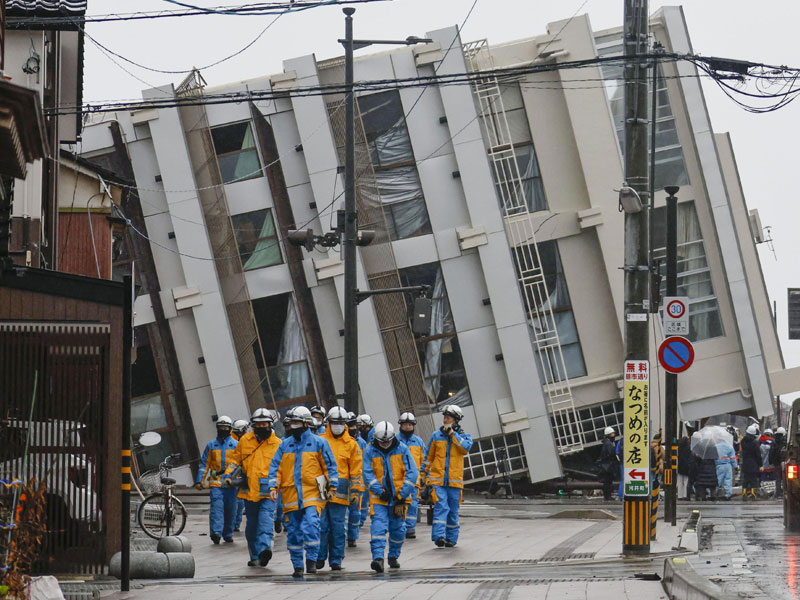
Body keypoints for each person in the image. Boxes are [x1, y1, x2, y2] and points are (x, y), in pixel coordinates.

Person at [268, 406, 338, 578]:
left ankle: (312, 561)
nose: (294, 426)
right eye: (292, 423)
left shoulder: (319, 443)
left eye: (297, 422)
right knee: (293, 532)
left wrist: (332, 487)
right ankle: (298, 565)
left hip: (313, 492)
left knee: (312, 525)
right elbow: (275, 468)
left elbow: (330, 466)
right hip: (291, 495)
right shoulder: (285, 445)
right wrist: (273, 487)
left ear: (306, 423)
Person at [222, 408, 281, 567]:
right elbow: (236, 461)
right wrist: (228, 475)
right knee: (252, 525)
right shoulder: (245, 441)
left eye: (265, 424)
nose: (262, 426)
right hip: (249, 489)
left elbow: (283, 467)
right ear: (253, 425)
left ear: (270, 424)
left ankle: (264, 550)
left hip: (269, 490)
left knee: (266, 520)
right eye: (258, 424)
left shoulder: (278, 444)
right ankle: (254, 555)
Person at [363, 421, 418, 572]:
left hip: (398, 498)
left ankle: (393, 556)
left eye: (387, 441)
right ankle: (378, 558)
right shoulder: (370, 451)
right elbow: (367, 474)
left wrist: (401, 495)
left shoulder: (402, 449)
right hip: (379, 497)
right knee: (378, 527)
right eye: (382, 441)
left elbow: (412, 473)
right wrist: (380, 491)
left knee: (398, 530)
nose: (385, 444)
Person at [316, 406, 363, 571]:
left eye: (340, 422)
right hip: (321, 486)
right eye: (334, 422)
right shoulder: (319, 440)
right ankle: (319, 557)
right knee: (321, 526)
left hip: (341, 489)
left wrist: (356, 491)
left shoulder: (352, 444)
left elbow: (356, 470)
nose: (337, 425)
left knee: (337, 526)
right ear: (328, 423)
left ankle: (336, 559)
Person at [422, 405, 473, 548]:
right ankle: (439, 537)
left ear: (456, 420)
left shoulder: (463, 436)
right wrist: (422, 474)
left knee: (452, 511)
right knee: (441, 507)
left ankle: (451, 538)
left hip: (454, 482)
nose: (445, 420)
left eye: (448, 418)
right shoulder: (436, 435)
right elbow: (428, 457)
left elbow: (465, 448)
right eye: (444, 417)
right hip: (437, 480)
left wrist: (452, 435)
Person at [195, 416, 238, 544]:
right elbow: (204, 464)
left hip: (231, 481)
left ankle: (228, 533)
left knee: (231, 509)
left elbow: (240, 464)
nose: (223, 429)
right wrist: (199, 480)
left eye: (225, 427)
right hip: (216, 480)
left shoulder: (236, 445)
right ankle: (216, 533)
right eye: (221, 427)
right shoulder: (211, 445)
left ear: (230, 429)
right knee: (216, 508)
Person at [397, 412, 427, 538]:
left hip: (414, 480)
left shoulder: (418, 442)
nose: (407, 427)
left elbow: (424, 460)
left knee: (413, 504)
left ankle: (410, 528)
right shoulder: (395, 441)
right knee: (399, 503)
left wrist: (424, 475)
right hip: (399, 479)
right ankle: (399, 527)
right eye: (405, 425)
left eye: (410, 425)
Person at [346, 412, 367, 548]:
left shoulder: (362, 443)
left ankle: (352, 536)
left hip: (358, 483)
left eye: (354, 425)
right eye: (349, 426)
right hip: (343, 482)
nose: (352, 428)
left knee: (355, 512)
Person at [356, 414, 374, 528]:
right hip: (367, 471)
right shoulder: (367, 438)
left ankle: (360, 520)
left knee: (365, 497)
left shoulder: (369, 438)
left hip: (369, 472)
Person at [231, 419, 249, 533]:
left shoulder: (237, 440)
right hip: (236, 474)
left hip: (239, 474)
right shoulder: (236, 442)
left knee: (240, 502)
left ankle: (235, 524)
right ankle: (234, 524)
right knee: (237, 502)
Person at [595, 427, 619, 501]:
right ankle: (607, 496)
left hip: (607, 465)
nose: (614, 435)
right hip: (608, 466)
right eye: (612, 434)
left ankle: (607, 496)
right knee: (607, 481)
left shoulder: (608, 443)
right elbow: (611, 453)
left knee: (607, 481)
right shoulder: (608, 444)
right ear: (608, 435)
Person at [740, 424, 762, 500]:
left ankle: (744, 493)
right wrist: (760, 464)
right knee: (753, 480)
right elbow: (758, 454)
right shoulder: (755, 443)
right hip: (753, 464)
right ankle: (753, 494)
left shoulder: (742, 441)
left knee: (745, 480)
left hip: (745, 464)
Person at [714, 433, 738, 501]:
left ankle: (713, 493)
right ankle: (728, 494)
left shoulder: (715, 447)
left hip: (719, 465)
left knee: (718, 480)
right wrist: (735, 466)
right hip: (728, 465)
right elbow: (733, 458)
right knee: (728, 480)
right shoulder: (729, 446)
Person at [677, 422, 696, 500]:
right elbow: (690, 457)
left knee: (679, 482)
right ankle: (685, 495)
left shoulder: (679, 448)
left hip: (679, 467)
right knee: (686, 482)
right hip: (686, 467)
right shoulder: (688, 448)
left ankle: (679, 496)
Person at [770, 426, 787, 499]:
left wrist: (771, 461)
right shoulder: (785, 441)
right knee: (785, 478)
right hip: (784, 462)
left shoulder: (774, 441)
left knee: (778, 479)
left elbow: (771, 452)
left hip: (776, 463)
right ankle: (785, 492)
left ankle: (778, 493)